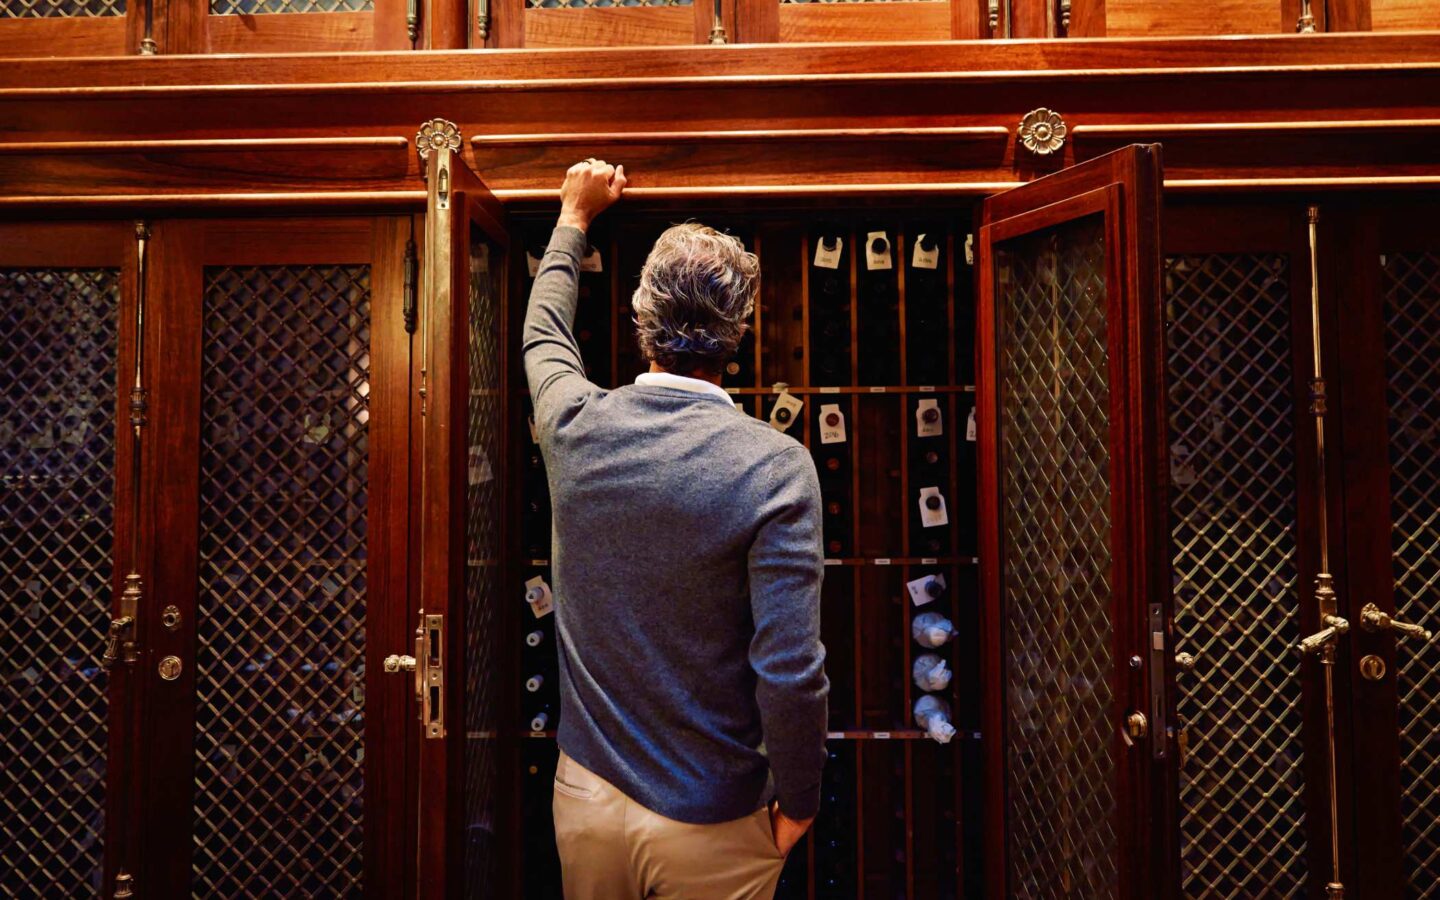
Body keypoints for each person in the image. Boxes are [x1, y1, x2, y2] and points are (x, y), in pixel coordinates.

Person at [524, 158, 829, 900]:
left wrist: (573, 219)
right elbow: (789, 670)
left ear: (639, 321)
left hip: (590, 800)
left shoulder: (573, 425)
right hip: (717, 817)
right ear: (742, 335)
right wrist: (801, 802)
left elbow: (543, 332)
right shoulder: (776, 467)